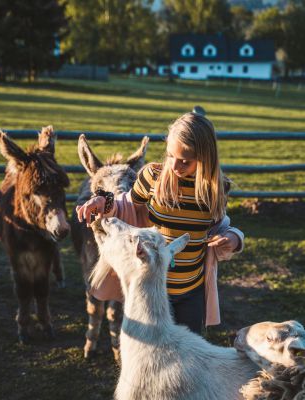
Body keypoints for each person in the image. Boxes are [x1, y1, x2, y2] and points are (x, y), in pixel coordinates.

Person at [76, 112, 243, 334]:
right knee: (151, 346)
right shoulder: (152, 176)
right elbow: (126, 205)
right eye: (171, 156)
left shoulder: (213, 190)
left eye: (185, 161)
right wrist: (103, 202)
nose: (175, 166)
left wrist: (232, 238)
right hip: (152, 286)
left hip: (191, 291)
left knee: (187, 348)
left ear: (205, 157)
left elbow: (219, 228)